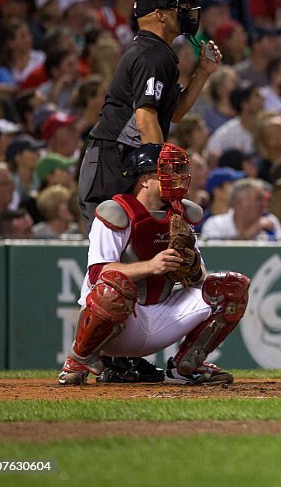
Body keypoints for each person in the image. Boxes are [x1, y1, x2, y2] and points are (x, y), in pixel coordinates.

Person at [59, 144, 250, 385]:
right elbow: (98, 273)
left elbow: (201, 278)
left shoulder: (180, 213)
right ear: (145, 179)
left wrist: (190, 266)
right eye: (170, 171)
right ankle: (78, 360)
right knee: (111, 289)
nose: (178, 177)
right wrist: (152, 266)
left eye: (179, 170)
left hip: (163, 315)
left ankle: (186, 366)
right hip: (121, 323)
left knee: (231, 286)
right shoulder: (116, 212)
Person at [78, 0, 222, 228]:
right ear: (160, 15)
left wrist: (203, 73)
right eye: (179, 8)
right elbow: (145, 117)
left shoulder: (157, 52)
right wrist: (160, 170)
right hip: (114, 161)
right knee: (112, 252)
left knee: (143, 248)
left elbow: (175, 113)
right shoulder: (150, 54)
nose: (188, 14)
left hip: (128, 158)